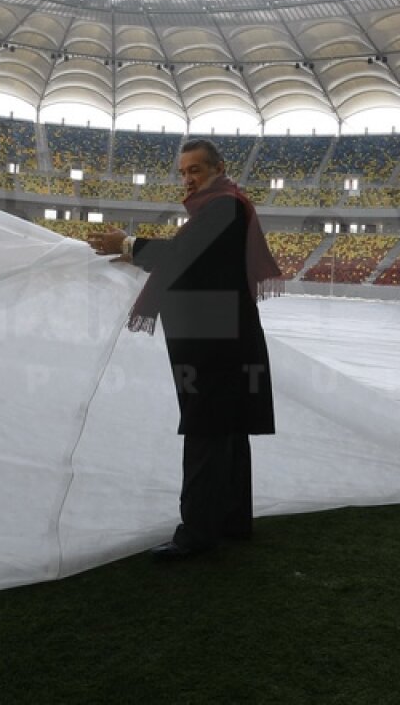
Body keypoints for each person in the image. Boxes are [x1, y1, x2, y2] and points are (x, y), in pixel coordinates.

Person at [88, 138, 283, 560]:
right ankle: (232, 520)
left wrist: (127, 244)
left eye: (195, 170)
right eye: (183, 171)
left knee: (206, 430)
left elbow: (182, 254)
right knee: (226, 430)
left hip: (217, 341)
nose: (188, 179)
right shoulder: (225, 205)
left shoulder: (225, 205)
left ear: (218, 168)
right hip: (225, 332)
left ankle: (196, 534)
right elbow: (192, 259)